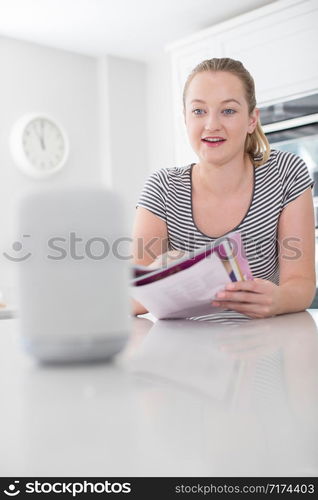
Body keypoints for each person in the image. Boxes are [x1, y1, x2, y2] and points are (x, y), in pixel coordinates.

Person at [131, 57, 316, 319]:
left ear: (252, 120)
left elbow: (301, 284)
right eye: (198, 111)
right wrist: (158, 272)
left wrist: (278, 299)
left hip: (265, 340)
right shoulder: (163, 188)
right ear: (185, 119)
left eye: (228, 111)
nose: (212, 125)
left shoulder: (286, 172)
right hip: (188, 346)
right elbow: (132, 300)